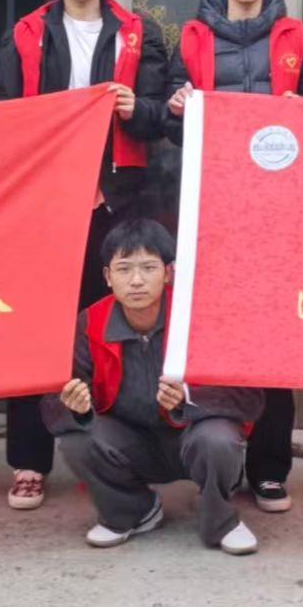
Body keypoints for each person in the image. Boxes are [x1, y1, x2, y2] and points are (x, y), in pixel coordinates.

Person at [0, 0, 170, 511]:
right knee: (36, 329)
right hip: (44, 202)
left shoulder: (138, 33)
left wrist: (136, 108)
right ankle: (28, 461)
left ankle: (105, 453)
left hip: (116, 202)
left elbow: (163, 117)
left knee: (110, 328)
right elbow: (4, 115)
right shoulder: (25, 34)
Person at [165, 0, 303, 514]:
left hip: (283, 212)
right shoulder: (190, 38)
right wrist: (176, 107)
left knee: (276, 341)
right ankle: (223, 460)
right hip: (216, 210)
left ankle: (270, 470)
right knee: (219, 339)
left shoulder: (298, 36)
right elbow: (170, 124)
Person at [44, 218, 264, 555]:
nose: (136, 280)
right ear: (107, 277)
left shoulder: (200, 317)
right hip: (129, 441)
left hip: (192, 437)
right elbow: (53, 401)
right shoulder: (90, 322)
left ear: (168, 272)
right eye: (124, 269)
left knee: (219, 438)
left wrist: (188, 399)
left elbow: (249, 397)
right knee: (76, 440)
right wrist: (76, 407)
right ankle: (133, 511)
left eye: (148, 267)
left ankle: (222, 521)